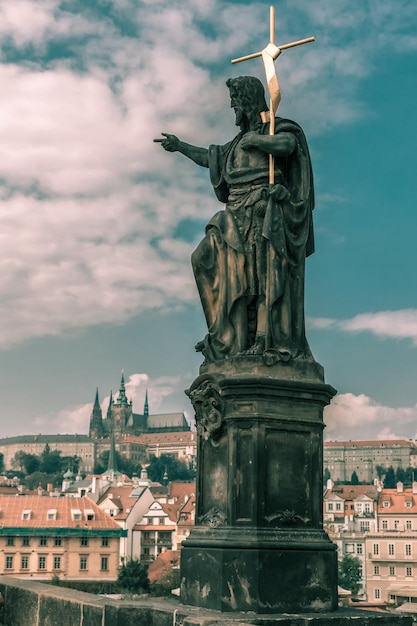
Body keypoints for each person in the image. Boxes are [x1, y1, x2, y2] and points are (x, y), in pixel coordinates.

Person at [156, 76, 314, 364]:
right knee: (203, 258)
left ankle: (264, 340)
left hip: (263, 210)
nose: (233, 108)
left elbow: (289, 145)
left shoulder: (275, 128)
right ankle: (227, 338)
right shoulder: (237, 142)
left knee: (264, 278)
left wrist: (259, 140)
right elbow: (211, 158)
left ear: (248, 101)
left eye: (235, 103)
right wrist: (180, 146)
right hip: (235, 214)